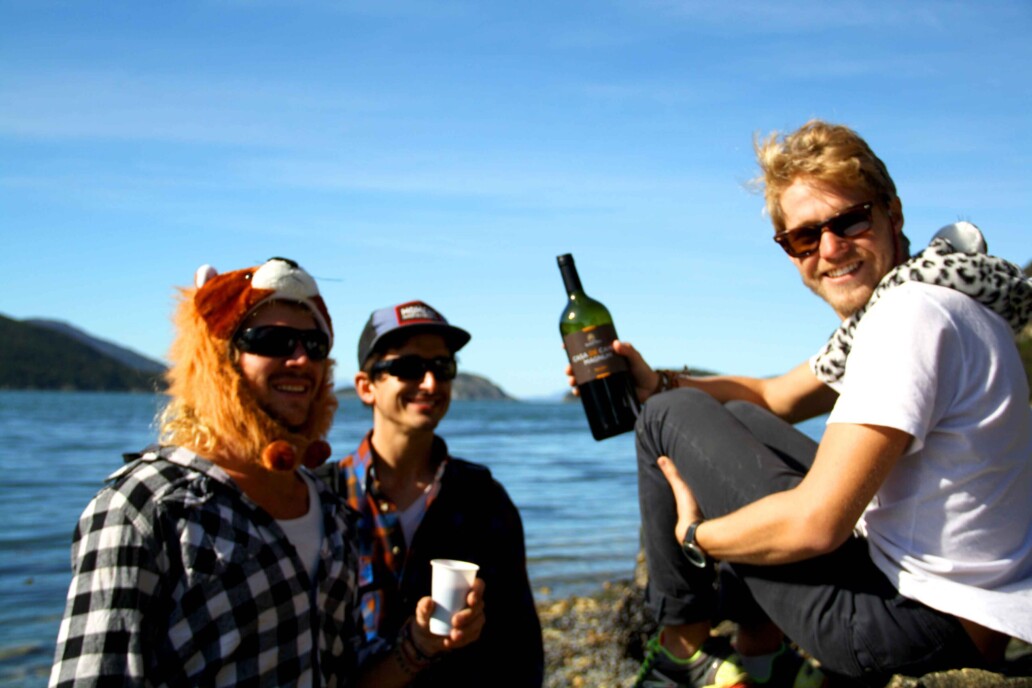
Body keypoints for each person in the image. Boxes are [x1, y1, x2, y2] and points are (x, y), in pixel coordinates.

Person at [579, 122, 1032, 687]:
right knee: (736, 418)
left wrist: (697, 538)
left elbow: (816, 526)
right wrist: (656, 378)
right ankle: (762, 655)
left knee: (663, 419)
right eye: (803, 238)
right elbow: (773, 396)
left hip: (907, 626)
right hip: (963, 612)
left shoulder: (908, 317)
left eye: (850, 221)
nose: (830, 249)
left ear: (893, 214)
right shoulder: (941, 297)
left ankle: (680, 654)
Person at [49, 258, 483, 687]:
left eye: (314, 345)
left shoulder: (332, 514)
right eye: (273, 341)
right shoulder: (148, 508)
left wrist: (420, 644)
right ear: (219, 359)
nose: (300, 360)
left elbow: (340, 674)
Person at [318, 300, 544, 686]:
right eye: (407, 367)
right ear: (365, 387)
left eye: (442, 367)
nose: (430, 383)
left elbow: (520, 646)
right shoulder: (322, 500)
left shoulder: (482, 498)